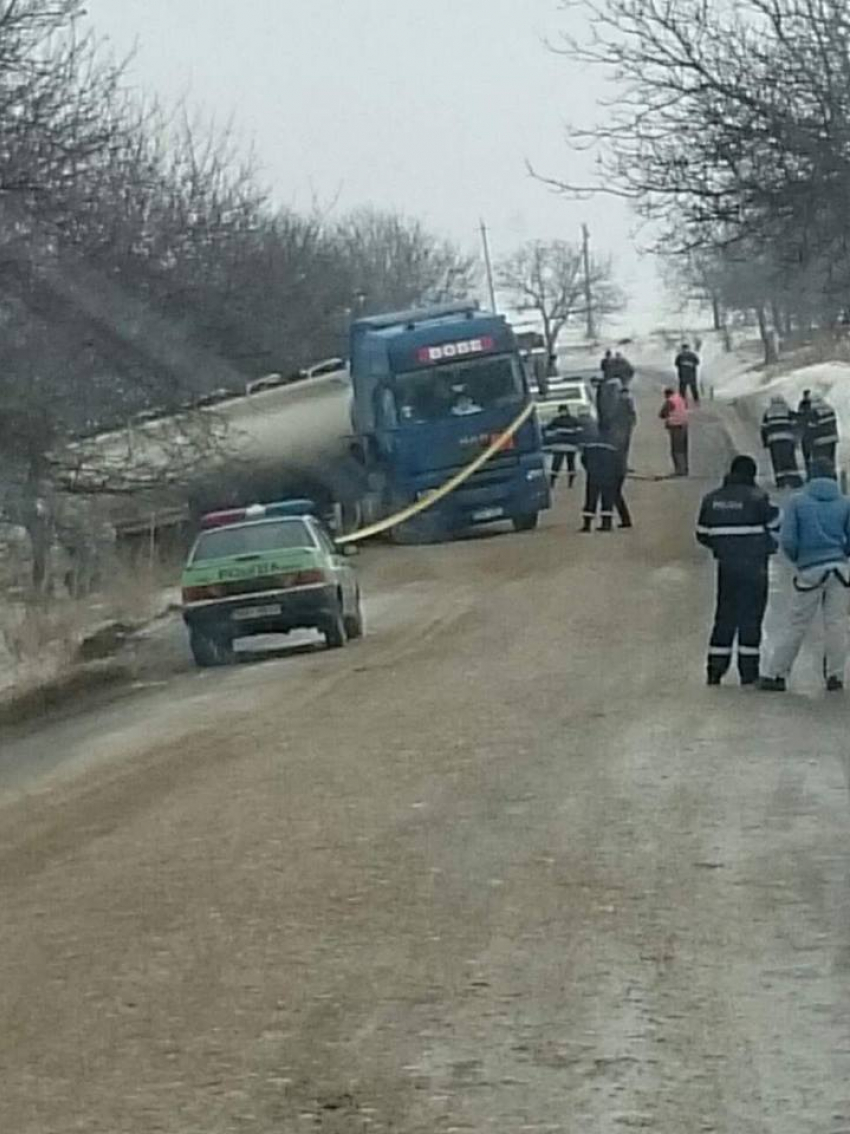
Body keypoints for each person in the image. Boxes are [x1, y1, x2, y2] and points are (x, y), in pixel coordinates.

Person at [760, 457, 850, 692]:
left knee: (797, 623)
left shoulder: (797, 502)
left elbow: (788, 539)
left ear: (810, 475)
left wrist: (799, 559)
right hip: (839, 570)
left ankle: (776, 674)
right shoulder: (844, 502)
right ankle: (835, 676)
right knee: (837, 624)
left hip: (810, 569)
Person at [696, 455, 780, 686]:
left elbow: (702, 533)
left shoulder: (711, 500)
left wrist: (724, 548)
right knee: (751, 618)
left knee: (725, 616)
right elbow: (776, 525)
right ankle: (748, 672)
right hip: (755, 568)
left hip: (727, 567)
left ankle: (715, 670)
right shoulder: (758, 498)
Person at [580, 421, 631, 532]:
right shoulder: (614, 443)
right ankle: (606, 524)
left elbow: (583, 459)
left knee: (590, 500)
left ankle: (587, 525)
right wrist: (618, 474)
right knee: (607, 500)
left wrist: (590, 470)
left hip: (593, 476)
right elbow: (619, 461)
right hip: (609, 476)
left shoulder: (590, 442)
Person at [761, 395, 803, 489]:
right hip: (787, 439)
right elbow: (795, 425)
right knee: (790, 460)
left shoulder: (768, 412)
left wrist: (765, 443)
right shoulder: (787, 410)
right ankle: (795, 482)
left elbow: (764, 429)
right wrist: (796, 440)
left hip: (773, 441)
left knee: (777, 462)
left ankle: (781, 482)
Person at [543, 404, 584, 488]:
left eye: (563, 411)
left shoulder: (563, 420)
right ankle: (556, 481)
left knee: (566, 463)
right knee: (560, 464)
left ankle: (567, 482)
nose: (562, 412)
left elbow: (547, 430)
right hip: (565, 445)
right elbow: (547, 430)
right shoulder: (562, 420)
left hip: (566, 445)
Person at [803, 394, 839, 470]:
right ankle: (832, 477)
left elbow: (811, 430)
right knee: (831, 462)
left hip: (820, 442)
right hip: (832, 440)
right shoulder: (829, 408)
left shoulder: (813, 411)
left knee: (821, 464)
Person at [659, 387, 689, 476]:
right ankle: (685, 468)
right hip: (684, 425)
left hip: (675, 426)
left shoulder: (670, 401)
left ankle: (679, 470)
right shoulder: (680, 399)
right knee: (683, 448)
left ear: (667, 394)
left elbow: (662, 414)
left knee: (676, 449)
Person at [609, 385, 637, 472]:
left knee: (621, 448)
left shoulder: (617, 402)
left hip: (622, 428)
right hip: (623, 428)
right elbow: (632, 413)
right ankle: (621, 466)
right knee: (622, 448)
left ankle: (621, 465)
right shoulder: (626, 402)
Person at [795, 389, 814, 469]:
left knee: (809, 449)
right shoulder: (803, 404)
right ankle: (808, 465)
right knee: (807, 450)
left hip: (808, 430)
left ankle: (809, 465)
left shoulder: (807, 404)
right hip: (806, 430)